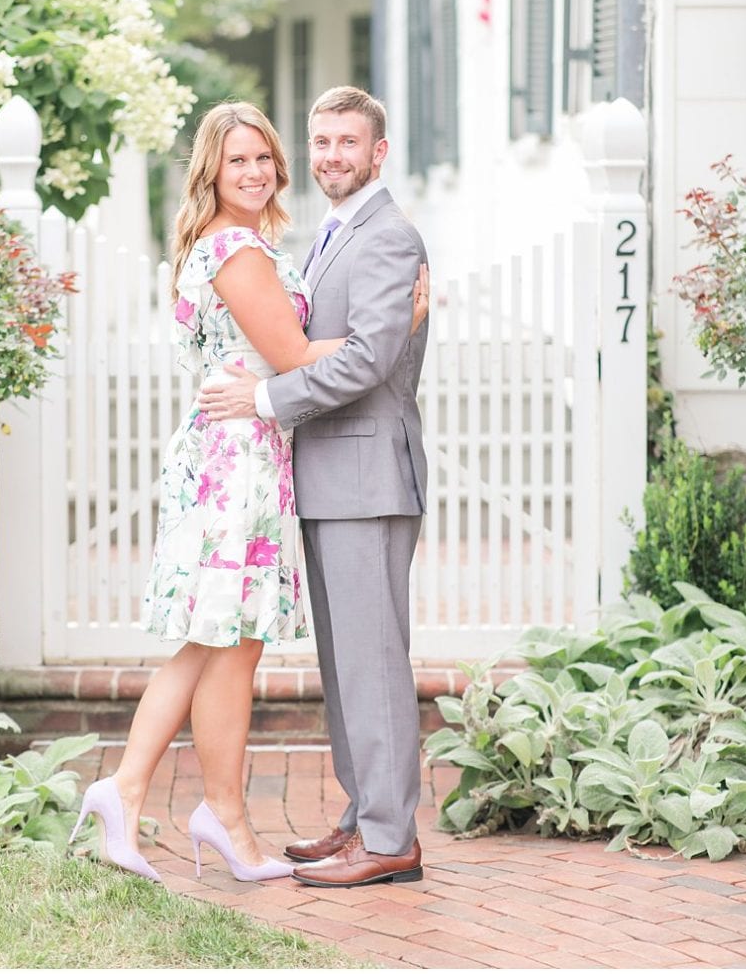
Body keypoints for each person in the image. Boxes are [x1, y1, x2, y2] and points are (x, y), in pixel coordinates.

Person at [68, 101, 428, 884]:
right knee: (219, 639)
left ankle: (211, 810)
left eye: (264, 156)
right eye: (238, 161)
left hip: (251, 455)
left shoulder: (254, 241)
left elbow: (292, 353)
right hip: (238, 460)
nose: (257, 171)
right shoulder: (234, 247)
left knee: (227, 642)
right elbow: (294, 352)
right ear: (212, 171)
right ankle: (144, 792)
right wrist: (391, 327)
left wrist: (376, 336)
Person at [197, 85, 432, 888]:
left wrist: (262, 398)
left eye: (347, 142)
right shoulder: (334, 231)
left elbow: (367, 360)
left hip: (368, 474)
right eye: (322, 140)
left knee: (374, 661)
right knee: (347, 662)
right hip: (330, 474)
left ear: (378, 151)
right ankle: (363, 815)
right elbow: (308, 338)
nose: (332, 154)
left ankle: (390, 836)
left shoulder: (390, 236)